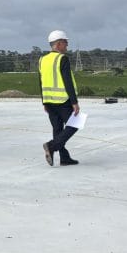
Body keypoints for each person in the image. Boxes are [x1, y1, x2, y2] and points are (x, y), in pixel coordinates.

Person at [40, 30, 80, 166]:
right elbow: (67, 81)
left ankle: (64, 158)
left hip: (49, 101)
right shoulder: (62, 59)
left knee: (57, 129)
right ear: (58, 44)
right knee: (74, 124)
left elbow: (41, 81)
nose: (67, 46)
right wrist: (74, 102)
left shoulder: (42, 60)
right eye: (65, 43)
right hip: (62, 101)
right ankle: (51, 146)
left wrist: (44, 101)